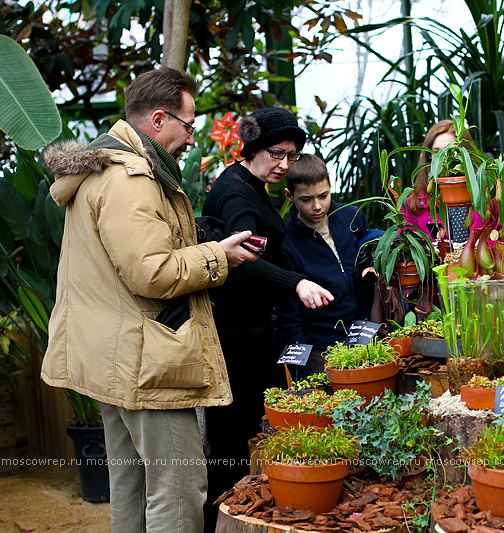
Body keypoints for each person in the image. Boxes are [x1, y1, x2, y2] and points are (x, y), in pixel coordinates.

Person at [40, 67, 259, 532]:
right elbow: (150, 272)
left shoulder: (104, 169)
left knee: (132, 486)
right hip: (145, 360)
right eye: (189, 123)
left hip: (114, 354)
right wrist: (216, 256)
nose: (191, 136)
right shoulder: (130, 178)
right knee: (178, 488)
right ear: (159, 120)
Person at [201, 108, 334, 531]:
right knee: (232, 441)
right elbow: (241, 259)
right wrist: (296, 283)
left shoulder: (251, 184)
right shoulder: (237, 195)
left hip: (255, 333)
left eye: (291, 156)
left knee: (249, 434)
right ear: (252, 149)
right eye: (277, 154)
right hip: (236, 338)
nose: (284, 165)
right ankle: (217, 522)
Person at [276, 154, 375, 378]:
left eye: (323, 195)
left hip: (365, 337)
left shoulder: (352, 216)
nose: (317, 206)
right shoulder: (286, 240)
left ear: (331, 186)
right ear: (289, 196)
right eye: (306, 199)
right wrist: (301, 374)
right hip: (321, 351)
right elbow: (288, 314)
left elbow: (366, 251)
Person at [402, 119, 504, 252]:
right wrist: (427, 251)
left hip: (483, 271)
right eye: (436, 152)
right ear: (428, 156)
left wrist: (484, 249)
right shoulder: (413, 200)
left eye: (451, 150)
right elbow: (405, 245)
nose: (443, 157)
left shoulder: (492, 194)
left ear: (465, 153)